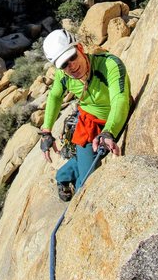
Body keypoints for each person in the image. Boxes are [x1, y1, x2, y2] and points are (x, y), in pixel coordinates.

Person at [40, 28, 131, 201]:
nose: (71, 66)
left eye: (72, 57)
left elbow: (120, 99)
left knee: (86, 174)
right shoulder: (63, 76)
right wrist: (46, 130)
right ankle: (64, 178)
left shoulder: (109, 65)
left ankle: (64, 176)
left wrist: (109, 131)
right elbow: (55, 96)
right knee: (87, 181)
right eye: (64, 64)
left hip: (115, 118)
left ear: (80, 48)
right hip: (90, 125)